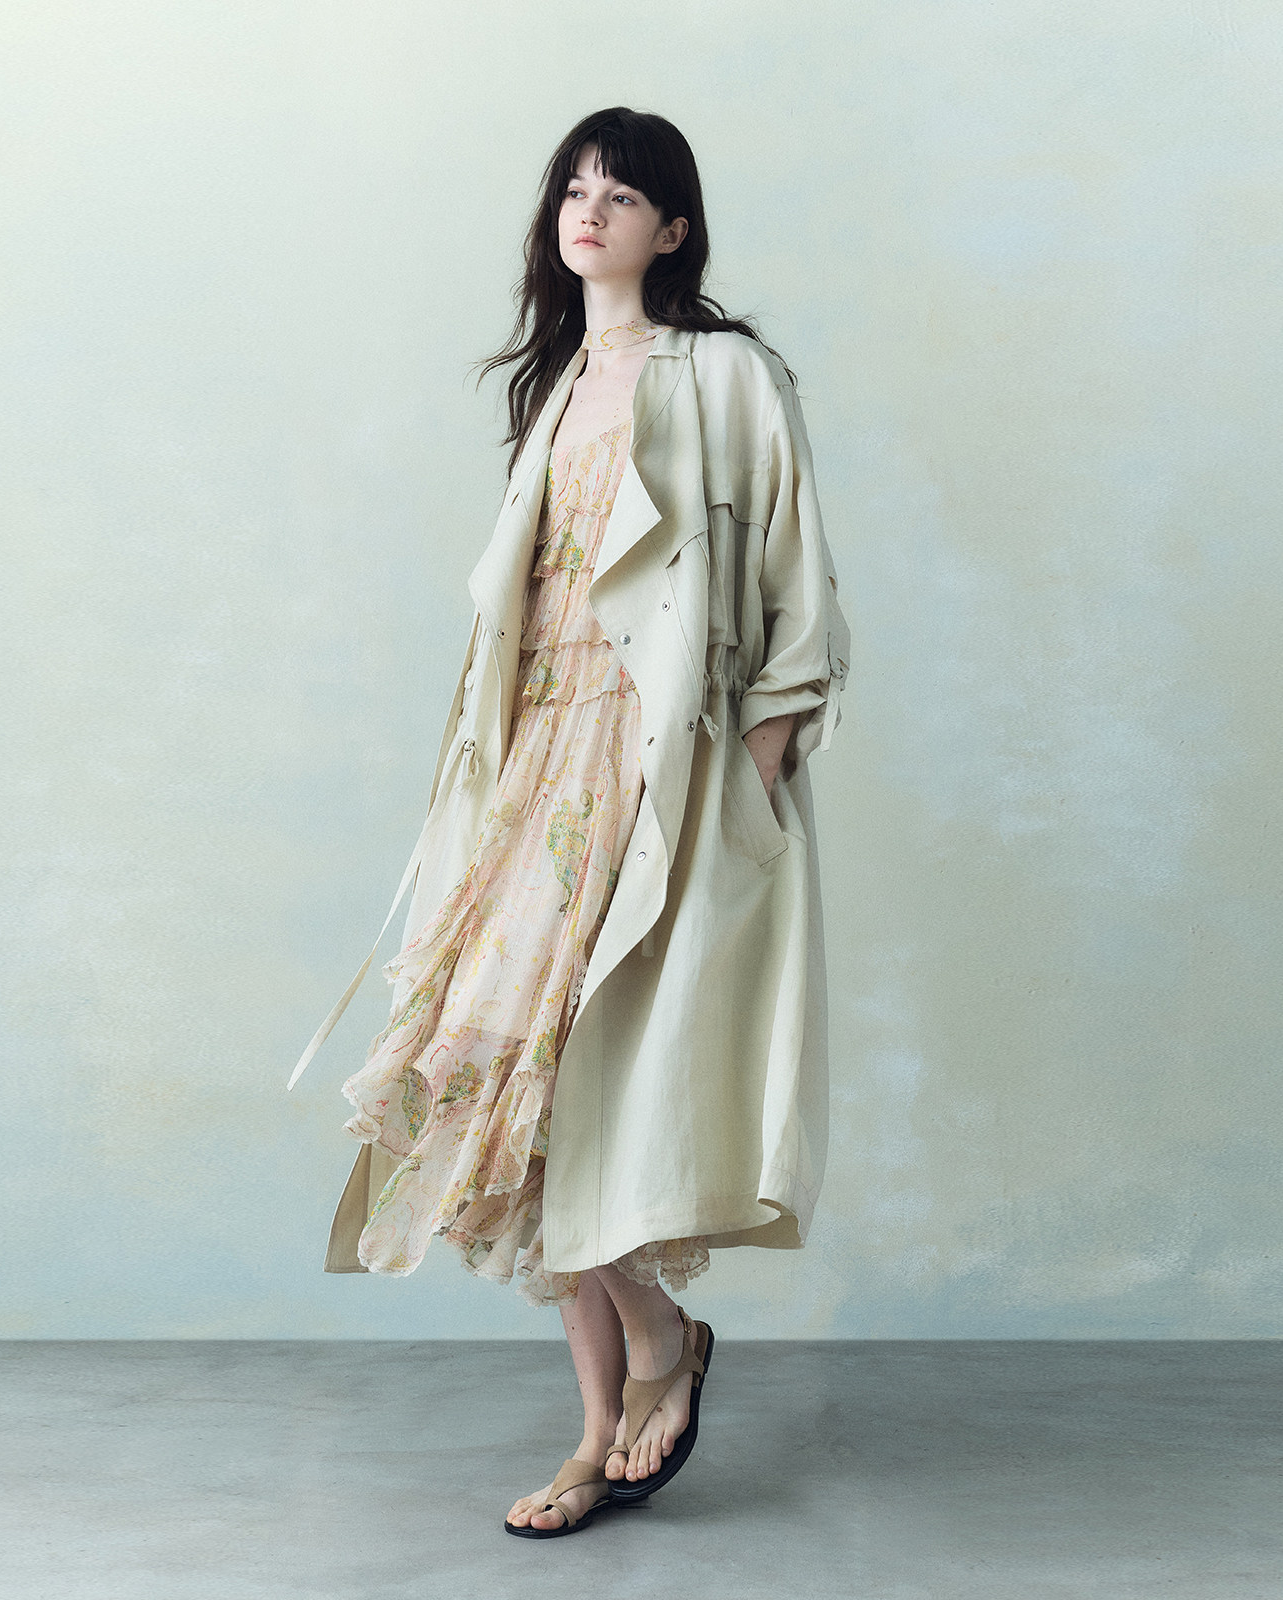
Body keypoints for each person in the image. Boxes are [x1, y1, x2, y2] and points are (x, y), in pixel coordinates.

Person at [290, 106, 851, 1538]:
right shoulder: (553, 390)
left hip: (661, 767)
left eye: (624, 194)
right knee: (503, 1071)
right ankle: (624, 1391)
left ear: (674, 229)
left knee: (591, 1072)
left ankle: (619, 1408)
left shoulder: (725, 375)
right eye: (574, 189)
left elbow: (796, 579)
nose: (590, 210)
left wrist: (758, 764)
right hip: (539, 762)